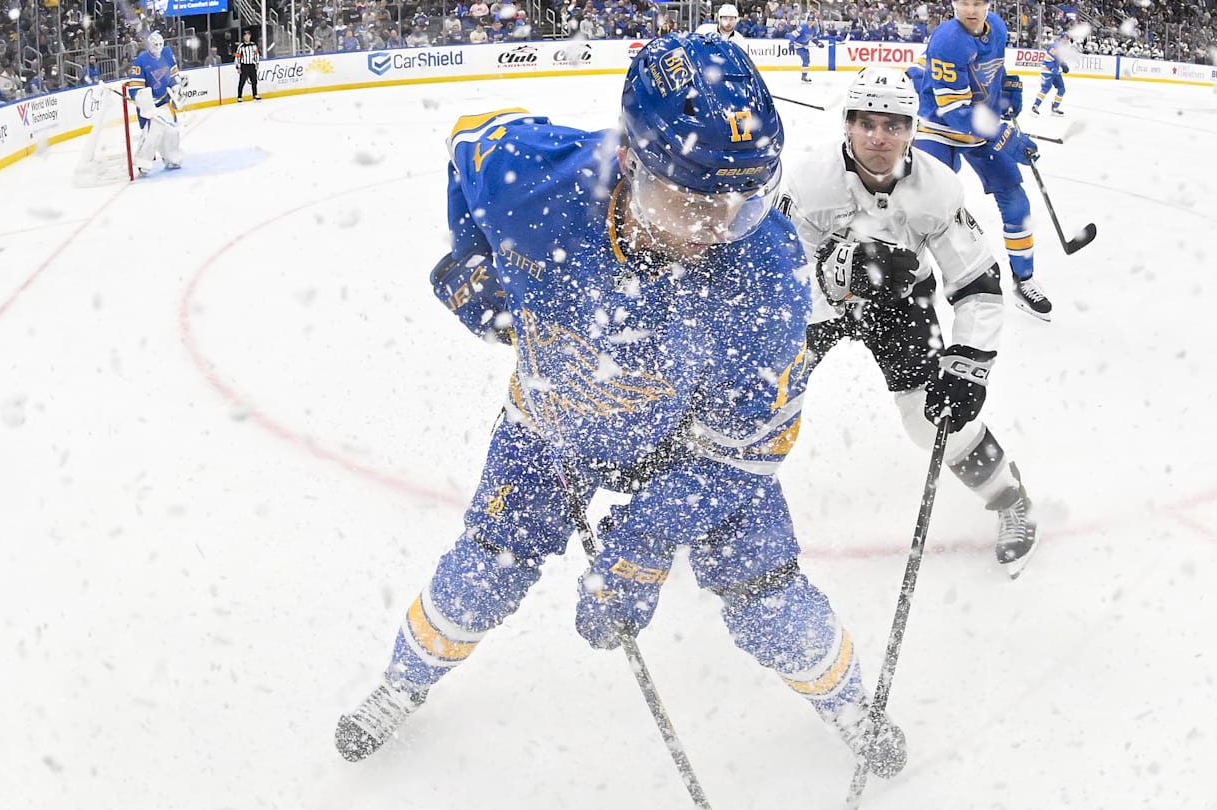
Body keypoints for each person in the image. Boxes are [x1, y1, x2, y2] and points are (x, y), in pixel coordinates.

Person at [334, 32, 908, 781]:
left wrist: (641, 544)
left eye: (744, 205)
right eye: (697, 202)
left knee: (767, 592)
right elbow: (465, 145)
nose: (718, 229)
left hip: (691, 449)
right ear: (631, 161)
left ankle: (847, 703)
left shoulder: (765, 281)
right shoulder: (534, 176)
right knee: (488, 563)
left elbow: (748, 450)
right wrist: (472, 256)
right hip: (552, 421)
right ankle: (402, 682)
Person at [781, 67, 1039, 577]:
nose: (880, 137)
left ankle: (1009, 497)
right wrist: (839, 273)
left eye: (894, 125)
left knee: (932, 418)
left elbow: (977, 284)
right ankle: (703, 506)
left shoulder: (938, 188)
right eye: (868, 123)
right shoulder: (809, 181)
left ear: (912, 129)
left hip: (902, 304)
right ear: (848, 125)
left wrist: (970, 365)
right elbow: (779, 281)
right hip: (819, 304)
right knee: (765, 393)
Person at [911, 0, 1052, 321]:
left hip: (980, 128)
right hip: (939, 127)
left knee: (1016, 199)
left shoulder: (998, 27)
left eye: (978, 2)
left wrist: (1006, 90)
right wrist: (1004, 135)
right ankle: (915, 276)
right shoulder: (948, 40)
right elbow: (955, 112)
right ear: (952, 3)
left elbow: (993, 69)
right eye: (964, 2)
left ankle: (1024, 280)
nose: (971, 9)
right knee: (927, 205)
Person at [127, 31, 184, 176]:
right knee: (152, 133)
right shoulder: (141, 60)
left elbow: (173, 75)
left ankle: (172, 157)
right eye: (155, 44)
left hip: (165, 100)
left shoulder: (167, 53)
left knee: (172, 131)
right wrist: (143, 100)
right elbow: (135, 88)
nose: (158, 47)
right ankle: (142, 162)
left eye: (160, 44)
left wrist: (177, 86)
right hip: (150, 104)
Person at [1031, 32, 1072, 116]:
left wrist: (1064, 67)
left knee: (1061, 89)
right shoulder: (1054, 47)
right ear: (1061, 38)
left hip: (1055, 71)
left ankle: (1055, 108)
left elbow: (1060, 60)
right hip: (1047, 70)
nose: (1066, 40)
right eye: (1064, 38)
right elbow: (1048, 60)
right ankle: (1035, 106)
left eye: (1067, 39)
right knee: (1046, 88)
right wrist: (1053, 68)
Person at [788, 11, 822, 84]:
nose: (810, 22)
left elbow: (813, 39)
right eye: (809, 20)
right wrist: (791, 43)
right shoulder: (802, 27)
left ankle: (804, 76)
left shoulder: (814, 29)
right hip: (798, 46)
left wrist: (818, 43)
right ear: (807, 21)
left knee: (807, 61)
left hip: (805, 46)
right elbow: (792, 35)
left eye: (812, 20)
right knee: (805, 59)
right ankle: (804, 77)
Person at [234, 31, 261, 101]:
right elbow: (237, 56)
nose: (247, 37)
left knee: (254, 81)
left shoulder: (253, 45)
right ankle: (239, 96)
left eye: (248, 35)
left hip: (252, 65)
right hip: (244, 66)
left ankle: (255, 94)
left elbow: (256, 54)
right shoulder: (241, 46)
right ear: (243, 37)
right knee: (242, 81)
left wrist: (257, 63)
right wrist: (238, 67)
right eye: (245, 36)